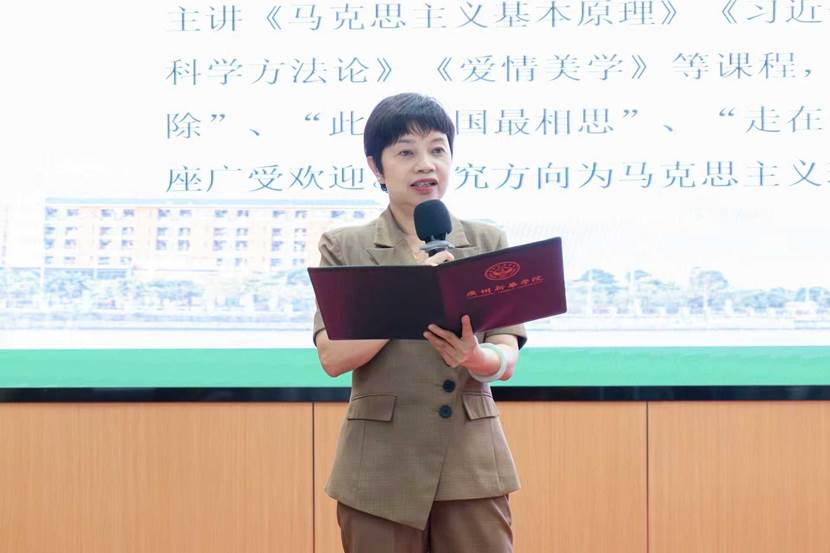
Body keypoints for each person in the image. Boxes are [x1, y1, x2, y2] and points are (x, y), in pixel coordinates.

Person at [312, 92, 526, 553]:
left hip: (472, 464)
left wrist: (479, 358)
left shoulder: (487, 241)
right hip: (377, 469)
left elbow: (507, 354)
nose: (426, 164)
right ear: (376, 166)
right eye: (406, 152)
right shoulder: (345, 247)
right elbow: (332, 357)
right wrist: (410, 292)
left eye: (437, 150)